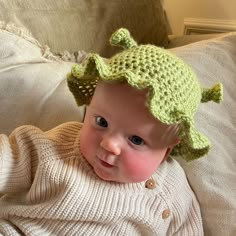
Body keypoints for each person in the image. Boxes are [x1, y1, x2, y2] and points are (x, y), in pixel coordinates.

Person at [0, 28, 223, 236]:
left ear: (167, 151)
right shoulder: (54, 148)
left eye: (136, 139)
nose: (109, 144)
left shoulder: (171, 191)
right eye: (101, 121)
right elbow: (9, 159)